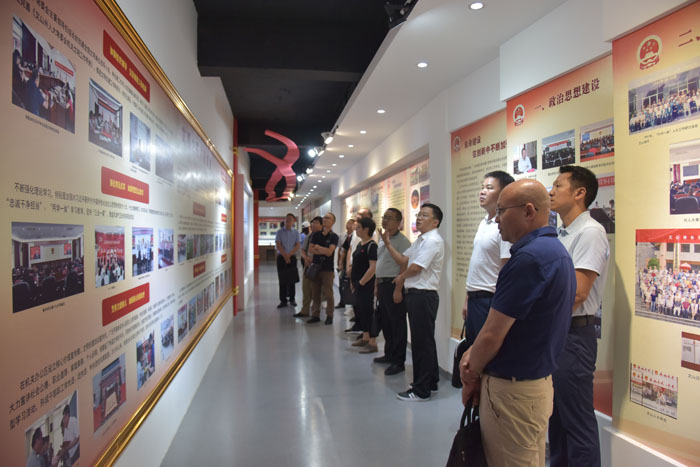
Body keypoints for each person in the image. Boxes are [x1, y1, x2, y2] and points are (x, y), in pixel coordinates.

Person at [459, 179, 576, 466]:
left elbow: (492, 335)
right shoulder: (555, 251)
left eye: (502, 211)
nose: (497, 219)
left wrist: (471, 373)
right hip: (534, 386)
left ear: (528, 211)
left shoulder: (528, 259)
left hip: (512, 393)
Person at [548, 165, 610, 467]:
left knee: (577, 420)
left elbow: (578, 294)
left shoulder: (590, 232)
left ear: (579, 193)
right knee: (557, 417)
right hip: (558, 332)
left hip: (573, 336)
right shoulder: (562, 233)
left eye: (558, 186)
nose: (551, 192)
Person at [383, 203, 445, 401]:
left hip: (423, 296)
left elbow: (417, 267)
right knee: (425, 341)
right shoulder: (421, 240)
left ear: (435, 222)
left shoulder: (432, 241)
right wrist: (388, 244)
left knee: (421, 343)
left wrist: (401, 278)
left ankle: (421, 390)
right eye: (419, 214)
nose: (419, 218)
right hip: (417, 295)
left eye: (424, 215)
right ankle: (431, 381)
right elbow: (403, 260)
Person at [462, 171, 514, 344]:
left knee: (484, 351)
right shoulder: (484, 222)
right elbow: (477, 264)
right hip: (475, 298)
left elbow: (506, 268)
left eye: (489, 188)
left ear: (503, 193)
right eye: (482, 187)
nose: (482, 191)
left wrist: (497, 308)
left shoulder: (505, 224)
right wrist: (467, 298)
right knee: (472, 348)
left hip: (489, 300)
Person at [375, 208, 411, 375]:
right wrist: (377, 285)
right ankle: (389, 354)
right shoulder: (383, 239)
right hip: (383, 285)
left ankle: (398, 361)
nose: (385, 220)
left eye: (389, 218)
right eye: (384, 217)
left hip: (394, 284)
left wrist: (398, 289)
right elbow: (381, 262)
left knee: (397, 325)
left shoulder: (402, 242)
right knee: (386, 323)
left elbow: (404, 265)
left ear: (398, 222)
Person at [349, 217, 379, 353]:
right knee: (361, 311)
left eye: (359, 227)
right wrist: (353, 282)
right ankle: (365, 337)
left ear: (367, 229)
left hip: (366, 284)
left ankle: (373, 342)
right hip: (358, 284)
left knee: (368, 312)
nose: (356, 230)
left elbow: (373, 267)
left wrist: (361, 282)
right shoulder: (360, 244)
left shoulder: (372, 246)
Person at [307, 213, 339, 324]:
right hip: (316, 267)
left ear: (333, 222)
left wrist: (318, 247)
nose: (325, 219)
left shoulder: (334, 237)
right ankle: (315, 314)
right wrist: (324, 250)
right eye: (324, 218)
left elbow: (330, 252)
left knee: (328, 293)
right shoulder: (315, 235)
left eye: (328, 218)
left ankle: (329, 315)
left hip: (327, 269)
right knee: (315, 293)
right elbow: (311, 249)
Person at [294, 217, 322, 318]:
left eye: (316, 223)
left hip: (320, 267)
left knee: (317, 291)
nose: (313, 225)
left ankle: (315, 313)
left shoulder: (324, 236)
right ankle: (305, 310)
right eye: (312, 223)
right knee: (306, 289)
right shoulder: (309, 236)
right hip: (309, 266)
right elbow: (302, 250)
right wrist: (306, 258)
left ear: (321, 225)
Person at [275, 213, 301, 308]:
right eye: (286, 219)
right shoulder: (279, 232)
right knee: (282, 279)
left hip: (292, 258)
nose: (288, 220)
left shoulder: (296, 232)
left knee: (292, 279)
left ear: (293, 221)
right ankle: (283, 300)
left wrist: (289, 255)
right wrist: (285, 256)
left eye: (290, 219)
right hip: (281, 258)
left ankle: (292, 299)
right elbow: (278, 245)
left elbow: (297, 245)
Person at [336, 219, 356, 308]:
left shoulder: (356, 237)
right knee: (342, 283)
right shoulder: (345, 236)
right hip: (345, 264)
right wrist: (340, 262)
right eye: (348, 223)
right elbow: (342, 250)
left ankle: (352, 304)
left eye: (352, 224)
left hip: (352, 264)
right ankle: (342, 301)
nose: (349, 225)